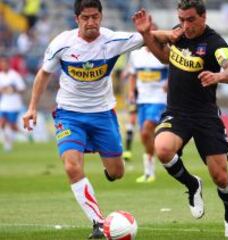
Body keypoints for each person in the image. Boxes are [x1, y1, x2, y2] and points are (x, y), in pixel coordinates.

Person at [22, 0, 171, 238]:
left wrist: (176, 33)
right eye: (85, 18)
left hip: (103, 114)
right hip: (69, 114)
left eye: (95, 17)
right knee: (72, 166)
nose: (91, 22)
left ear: (101, 17)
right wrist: (31, 108)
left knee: (117, 173)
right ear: (76, 19)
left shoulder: (112, 40)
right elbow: (43, 74)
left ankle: (107, 167)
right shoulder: (62, 43)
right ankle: (98, 223)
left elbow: (149, 37)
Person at [132, 0, 228, 237]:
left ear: (203, 17)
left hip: (205, 115)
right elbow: (164, 57)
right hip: (177, 112)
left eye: (190, 19)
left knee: (220, 177)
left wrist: (218, 76)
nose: (185, 25)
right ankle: (192, 185)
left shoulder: (215, 43)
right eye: (181, 19)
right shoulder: (178, 34)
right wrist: (146, 34)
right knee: (161, 149)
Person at [128, 24, 168, 183]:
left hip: (159, 99)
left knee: (146, 130)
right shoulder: (135, 54)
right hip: (142, 100)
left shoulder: (163, 53)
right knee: (145, 136)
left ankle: (152, 168)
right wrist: (131, 91)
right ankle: (150, 171)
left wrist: (169, 83)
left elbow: (174, 70)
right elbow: (133, 75)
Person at [0, 54, 26, 152]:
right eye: (2, 63)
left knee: (12, 125)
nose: (3, 65)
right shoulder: (1, 76)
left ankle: (25, 134)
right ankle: (7, 143)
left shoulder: (14, 75)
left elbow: (22, 88)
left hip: (14, 104)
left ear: (8, 64)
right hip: (3, 104)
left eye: (5, 63)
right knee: (2, 123)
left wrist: (13, 89)